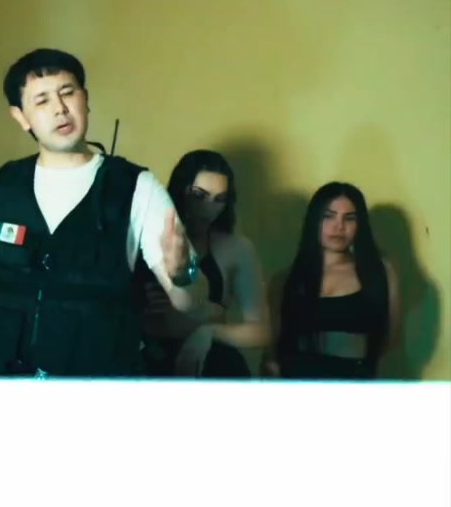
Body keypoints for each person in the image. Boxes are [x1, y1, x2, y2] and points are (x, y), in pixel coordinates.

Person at [0, 48, 207, 377]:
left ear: (86, 99)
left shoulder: (137, 187)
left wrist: (183, 274)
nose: (60, 109)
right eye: (42, 100)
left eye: (68, 93)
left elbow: (191, 303)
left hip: (95, 390)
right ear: (21, 117)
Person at [141, 150, 271, 377]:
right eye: (199, 195)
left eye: (219, 200)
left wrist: (210, 332)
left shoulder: (236, 248)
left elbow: (261, 331)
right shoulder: (148, 234)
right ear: (181, 190)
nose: (209, 209)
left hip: (213, 364)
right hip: (148, 363)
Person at [265, 182, 399, 380]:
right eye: (328, 216)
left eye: (349, 218)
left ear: (360, 224)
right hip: (296, 383)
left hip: (354, 381)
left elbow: (390, 339)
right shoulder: (285, 279)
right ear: (314, 220)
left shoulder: (379, 271)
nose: (339, 227)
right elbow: (272, 351)